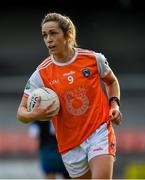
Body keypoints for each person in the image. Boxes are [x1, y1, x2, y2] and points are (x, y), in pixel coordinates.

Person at [17, 12, 122, 179]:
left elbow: (111, 82)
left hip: (99, 131)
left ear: (68, 35)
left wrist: (114, 104)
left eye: (53, 33)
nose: (48, 39)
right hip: (70, 144)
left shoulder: (93, 59)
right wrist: (33, 114)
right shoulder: (41, 74)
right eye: (45, 35)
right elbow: (20, 113)